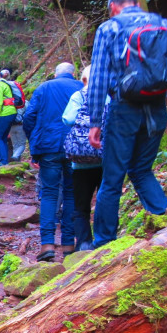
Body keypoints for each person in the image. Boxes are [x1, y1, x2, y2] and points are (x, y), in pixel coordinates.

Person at [87, 0, 167, 247]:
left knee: (112, 180)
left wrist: (95, 121)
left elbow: (98, 78)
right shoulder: (163, 24)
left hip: (124, 109)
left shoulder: (109, 28)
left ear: (113, 7)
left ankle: (104, 245)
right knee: (142, 171)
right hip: (157, 108)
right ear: (135, 3)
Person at [23, 62, 83, 261]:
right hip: (76, 147)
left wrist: (34, 143)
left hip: (48, 147)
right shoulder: (81, 87)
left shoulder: (43, 88)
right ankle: (68, 245)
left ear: (56, 74)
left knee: (49, 193)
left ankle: (47, 245)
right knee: (71, 193)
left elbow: (29, 117)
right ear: (73, 74)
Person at [63, 65, 106, 251]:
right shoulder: (109, 95)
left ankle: (84, 243)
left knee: (81, 206)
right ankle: (104, 239)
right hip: (105, 158)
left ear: (84, 79)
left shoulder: (78, 96)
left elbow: (68, 119)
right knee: (105, 199)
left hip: (80, 161)